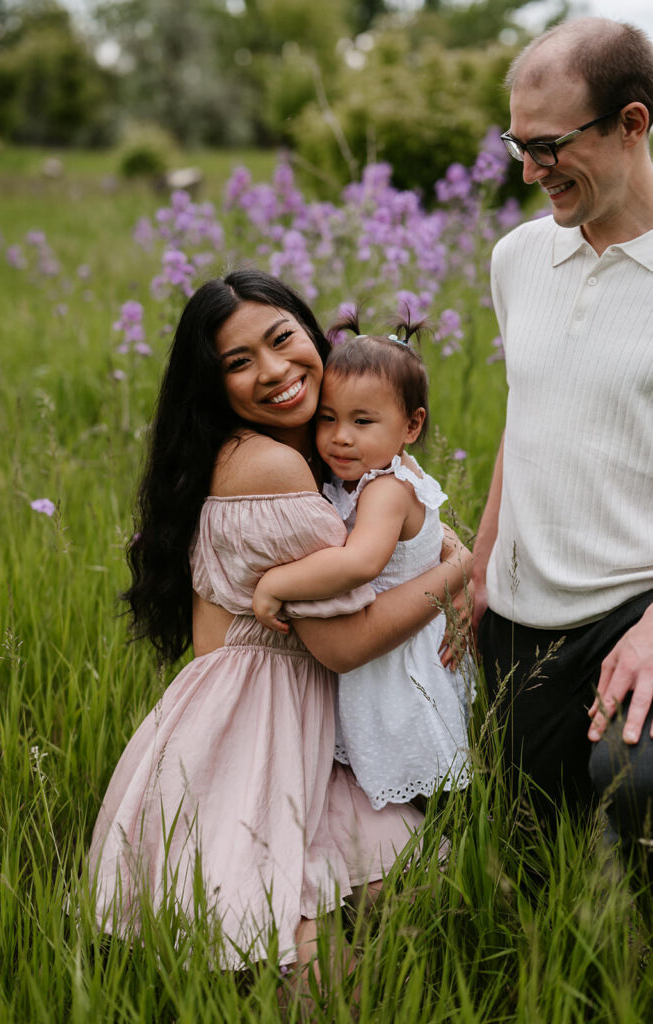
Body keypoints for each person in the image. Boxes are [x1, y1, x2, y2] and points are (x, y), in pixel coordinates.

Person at [88, 270, 473, 974]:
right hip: (254, 739)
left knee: (435, 910)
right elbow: (346, 644)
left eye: (282, 339)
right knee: (303, 950)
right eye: (238, 363)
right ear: (214, 386)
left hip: (302, 730)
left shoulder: (316, 455)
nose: (274, 371)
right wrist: (458, 570)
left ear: (311, 331)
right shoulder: (268, 466)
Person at [472, 17, 653, 868]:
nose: (531, 170)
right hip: (517, 619)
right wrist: (479, 562)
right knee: (532, 863)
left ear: (633, 123)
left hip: (633, 610)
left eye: (549, 145)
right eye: (518, 144)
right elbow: (527, 415)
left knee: (631, 778)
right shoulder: (515, 259)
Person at [253, 317, 473, 812]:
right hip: (387, 649)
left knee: (418, 777)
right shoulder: (365, 473)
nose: (340, 438)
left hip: (398, 662)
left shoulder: (387, 489)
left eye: (362, 421)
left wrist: (276, 583)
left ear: (411, 426)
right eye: (327, 418)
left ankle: (446, 851)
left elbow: (363, 562)